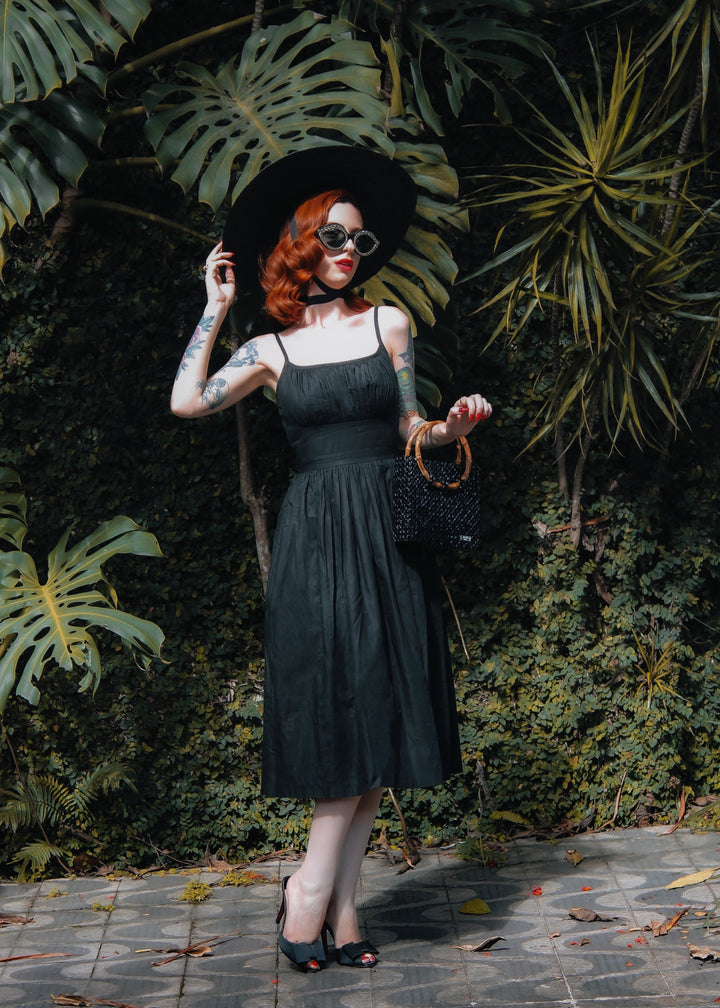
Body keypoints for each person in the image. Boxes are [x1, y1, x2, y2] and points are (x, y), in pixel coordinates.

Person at [170, 146, 492, 973]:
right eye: (336, 236)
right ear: (301, 245)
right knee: (340, 709)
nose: (352, 250)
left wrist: (451, 430)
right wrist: (215, 307)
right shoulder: (270, 350)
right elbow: (185, 402)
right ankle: (310, 891)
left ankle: (342, 914)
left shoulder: (390, 324)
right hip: (318, 541)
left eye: (360, 239)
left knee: (381, 711)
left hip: (388, 531)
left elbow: (410, 430)